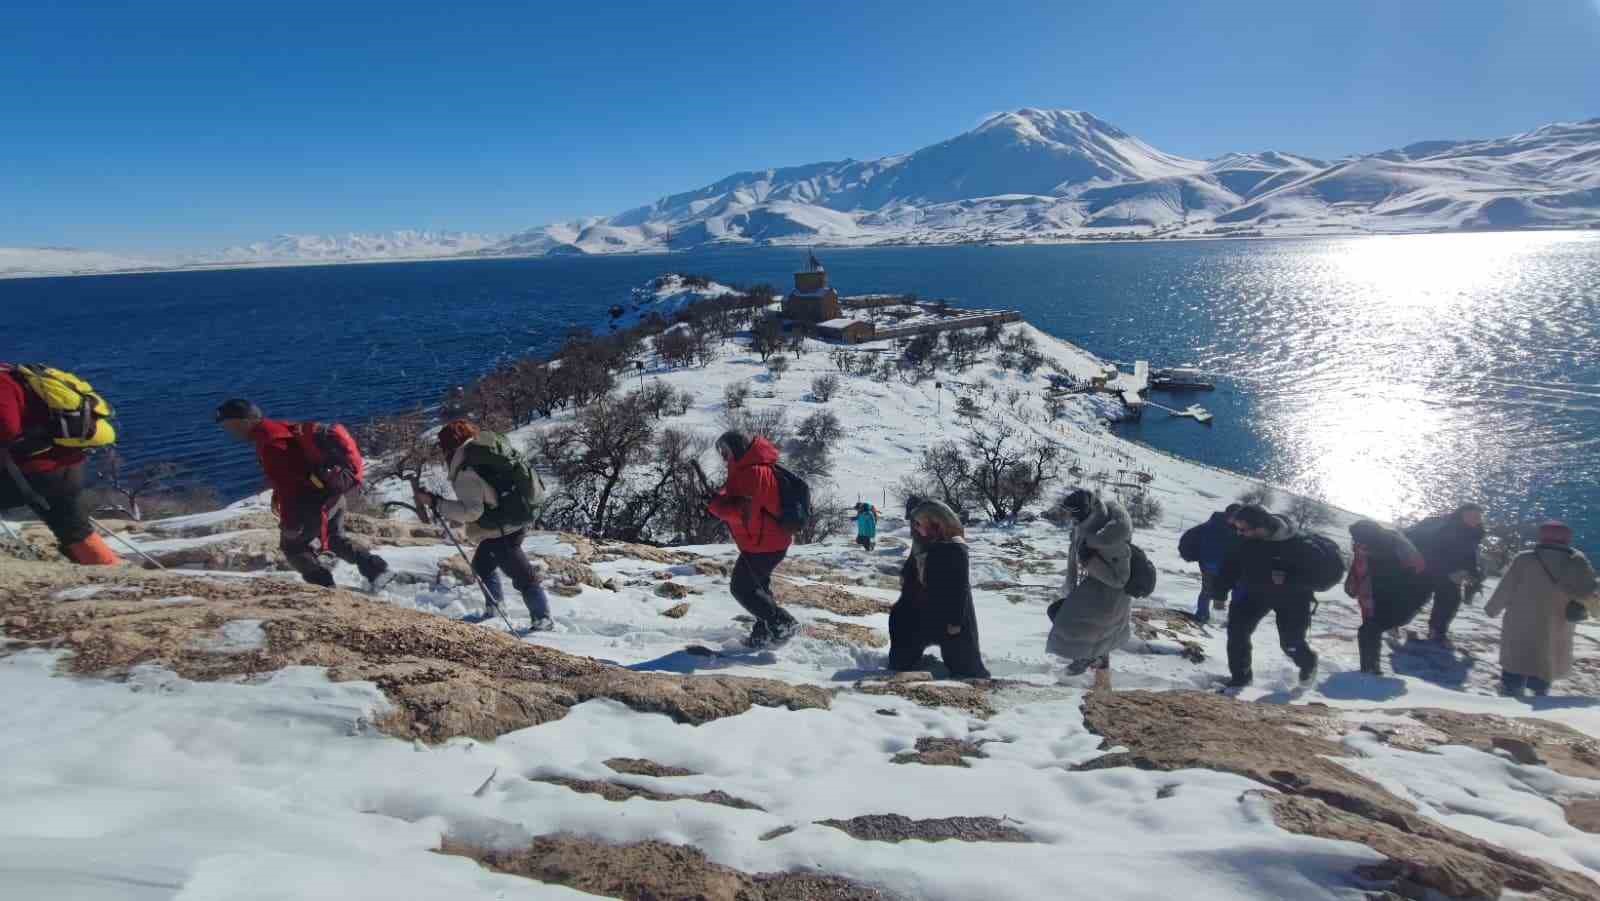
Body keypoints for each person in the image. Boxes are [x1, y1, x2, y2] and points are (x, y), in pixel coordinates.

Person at [216, 399, 390, 590]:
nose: (229, 431)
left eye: (229, 425)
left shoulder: (270, 444)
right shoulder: (280, 427)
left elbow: (289, 486)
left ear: (243, 421)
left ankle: (324, 588)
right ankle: (377, 570)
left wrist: (291, 522)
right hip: (332, 491)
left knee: (293, 547)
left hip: (312, 503)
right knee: (335, 539)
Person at [415, 420, 553, 631]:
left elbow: (472, 512)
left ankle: (542, 620)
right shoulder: (481, 454)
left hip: (502, 529)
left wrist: (436, 503)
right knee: (482, 565)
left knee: (523, 576)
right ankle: (496, 607)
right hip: (512, 517)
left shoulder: (466, 470)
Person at [0, 365, 120, 564]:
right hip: (65, 464)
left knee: (72, 528)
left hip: (34, 472)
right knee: (74, 530)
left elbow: (7, 431)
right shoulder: (11, 372)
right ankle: (111, 574)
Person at [1215, 504, 1326, 688]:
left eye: (1243, 529)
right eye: (1237, 528)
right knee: (1237, 631)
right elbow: (1230, 566)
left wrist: (1290, 578)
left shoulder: (1297, 543)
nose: (1239, 532)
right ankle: (1240, 679)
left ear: (1260, 527)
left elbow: (1317, 575)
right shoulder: (1243, 540)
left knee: (1290, 642)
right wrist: (1219, 593)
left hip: (1292, 597)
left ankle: (1308, 661)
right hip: (1254, 593)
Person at [1484, 521, 1598, 698]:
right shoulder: (1577, 560)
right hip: (1557, 620)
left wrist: (1493, 608)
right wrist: (1596, 612)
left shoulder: (1525, 558)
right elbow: (1589, 592)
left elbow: (1506, 587)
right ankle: (1539, 692)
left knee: (1517, 653)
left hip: (1520, 617)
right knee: (1547, 654)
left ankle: (1510, 690)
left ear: (1542, 536)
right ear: (1567, 538)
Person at [707, 430, 799, 649]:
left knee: (742, 588)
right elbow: (738, 497)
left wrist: (715, 505)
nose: (724, 457)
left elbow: (744, 512)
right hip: (763, 542)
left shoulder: (754, 473)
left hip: (765, 544)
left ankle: (784, 622)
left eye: (725, 451)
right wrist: (718, 498)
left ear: (736, 449)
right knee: (758, 590)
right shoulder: (749, 469)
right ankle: (763, 635)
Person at [889, 499, 989, 678]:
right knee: (901, 622)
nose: (916, 529)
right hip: (926, 610)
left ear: (935, 523)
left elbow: (959, 589)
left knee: (965, 667)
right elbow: (910, 573)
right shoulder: (925, 544)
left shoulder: (955, 547)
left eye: (919, 524)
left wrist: (955, 622)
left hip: (950, 616)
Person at [1046, 488, 1132, 685]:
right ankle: (1101, 684)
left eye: (1072, 514)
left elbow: (1121, 579)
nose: (1069, 518)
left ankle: (1088, 662)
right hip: (1093, 593)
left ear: (1084, 512)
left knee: (1063, 617)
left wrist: (1090, 560)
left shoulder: (1109, 537)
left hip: (1109, 598)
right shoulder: (1086, 528)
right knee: (1097, 639)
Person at [1345, 520, 1429, 675]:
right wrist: (1352, 581)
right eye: (1355, 538)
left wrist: (1408, 596)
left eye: (1358, 538)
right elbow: (1359, 564)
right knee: (1369, 629)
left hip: (1395, 598)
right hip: (1370, 595)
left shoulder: (1393, 544)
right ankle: (1369, 669)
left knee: (1369, 629)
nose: (1357, 542)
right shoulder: (1362, 544)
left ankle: (1370, 671)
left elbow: (1416, 570)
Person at [1405, 503, 1486, 645]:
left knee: (1450, 601)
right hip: (1428, 569)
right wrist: (1448, 572)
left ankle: (1437, 631)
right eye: (1473, 515)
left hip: (1452, 574)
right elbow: (1429, 552)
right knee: (1416, 600)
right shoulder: (1444, 527)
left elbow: (1469, 555)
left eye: (1479, 517)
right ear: (1462, 514)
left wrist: (1473, 574)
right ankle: (1390, 623)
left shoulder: (1474, 532)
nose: (1476, 519)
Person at [1178, 503, 1242, 623]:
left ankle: (1231, 619)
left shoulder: (1235, 528)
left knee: (1234, 590)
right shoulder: (1214, 526)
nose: (1237, 520)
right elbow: (1207, 546)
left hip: (1226, 565)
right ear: (1229, 515)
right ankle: (1202, 615)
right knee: (1208, 590)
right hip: (1211, 564)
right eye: (1236, 517)